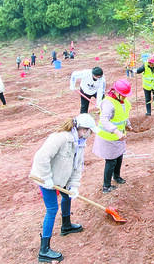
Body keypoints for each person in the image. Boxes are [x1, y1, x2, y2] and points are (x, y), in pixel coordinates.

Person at [29, 113, 96, 263]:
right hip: (45, 178)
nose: (90, 135)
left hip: (62, 177)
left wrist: (74, 185)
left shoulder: (80, 142)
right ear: (83, 129)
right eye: (90, 131)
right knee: (52, 209)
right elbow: (41, 157)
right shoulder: (60, 138)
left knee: (67, 196)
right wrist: (46, 178)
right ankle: (44, 250)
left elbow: (77, 166)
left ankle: (66, 226)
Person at [93, 79, 133, 193]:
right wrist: (116, 131)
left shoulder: (124, 101)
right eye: (123, 95)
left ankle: (117, 177)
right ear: (116, 92)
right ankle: (106, 186)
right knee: (111, 161)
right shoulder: (108, 103)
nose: (125, 97)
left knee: (119, 157)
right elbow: (104, 120)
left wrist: (128, 125)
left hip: (119, 138)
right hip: (108, 138)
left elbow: (124, 115)